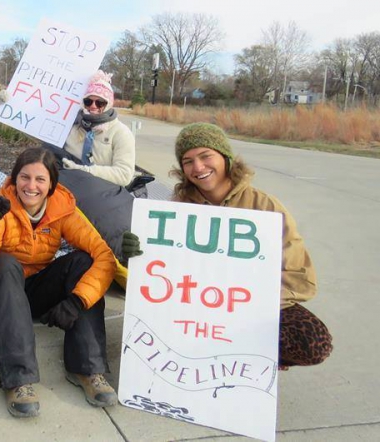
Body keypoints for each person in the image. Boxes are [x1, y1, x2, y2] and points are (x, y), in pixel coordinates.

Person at [124, 123, 333, 369]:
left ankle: (249, 355)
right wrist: (137, 252)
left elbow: (300, 278)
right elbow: (161, 272)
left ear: (225, 158)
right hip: (195, 306)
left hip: (251, 306)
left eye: (205, 156)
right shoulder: (178, 207)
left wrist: (243, 306)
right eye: (188, 161)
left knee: (314, 342)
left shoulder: (265, 207)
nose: (198, 167)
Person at [0, 147, 118, 418]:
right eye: (24, 177)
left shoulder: (63, 209)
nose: (31, 186)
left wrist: (77, 300)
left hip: (32, 290)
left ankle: (87, 369)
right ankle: (18, 380)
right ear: (13, 179)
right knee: (6, 261)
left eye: (40, 179)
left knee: (83, 261)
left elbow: (104, 256)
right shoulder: (1, 206)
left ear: (51, 185)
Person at [58, 70, 135, 187]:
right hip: (67, 189)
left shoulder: (121, 133)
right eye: (88, 101)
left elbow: (124, 175)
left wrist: (84, 170)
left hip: (102, 194)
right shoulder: (71, 126)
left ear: (108, 104)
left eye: (100, 103)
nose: (93, 106)